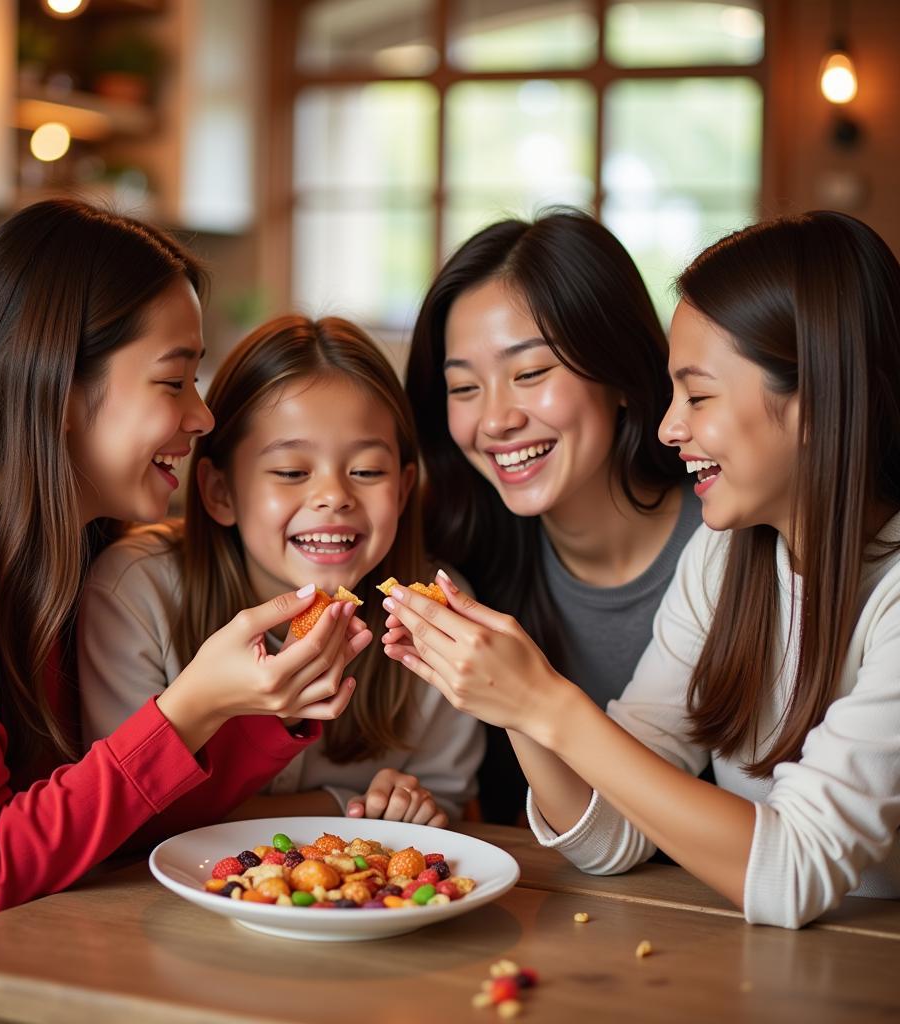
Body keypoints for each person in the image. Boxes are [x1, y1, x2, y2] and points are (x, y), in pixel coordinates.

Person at [0, 201, 361, 1023]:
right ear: (58, 383)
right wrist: (192, 705)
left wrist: (251, 706)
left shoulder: (75, 546)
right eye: (175, 380)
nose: (202, 417)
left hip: (41, 958)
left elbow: (106, 824)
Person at [382, 210, 900, 928]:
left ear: (817, 395)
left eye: (699, 394)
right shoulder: (728, 556)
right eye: (464, 387)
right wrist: (514, 704)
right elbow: (616, 832)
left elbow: (795, 872)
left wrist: (544, 703)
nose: (669, 426)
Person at [80, 314, 484, 826]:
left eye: (366, 471)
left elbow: (443, 801)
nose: (335, 496)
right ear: (219, 492)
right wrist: (345, 808)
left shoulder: (438, 618)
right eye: (291, 472)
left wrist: (407, 805)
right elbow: (132, 811)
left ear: (403, 490)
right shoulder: (136, 593)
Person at [398, 208, 701, 823]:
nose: (494, 420)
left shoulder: (732, 543)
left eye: (530, 373)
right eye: (463, 388)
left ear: (621, 374)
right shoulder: (458, 563)